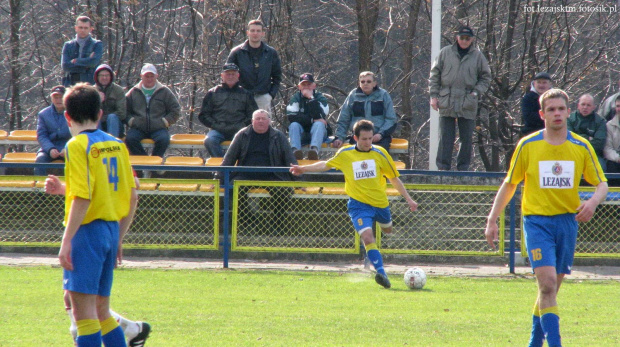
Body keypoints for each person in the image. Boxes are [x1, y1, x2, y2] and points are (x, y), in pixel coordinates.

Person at [485, 89, 607, 347]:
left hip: (567, 223)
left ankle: (534, 343)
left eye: (561, 109)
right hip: (537, 222)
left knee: (550, 290)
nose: (557, 114)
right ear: (542, 114)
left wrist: (593, 202)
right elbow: (510, 184)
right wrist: (492, 220)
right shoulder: (528, 145)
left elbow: (602, 184)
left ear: (568, 111)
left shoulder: (580, 146)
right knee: (548, 284)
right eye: (551, 109)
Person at [290, 120, 418, 288]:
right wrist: (304, 169)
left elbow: (394, 178)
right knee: (367, 237)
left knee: (387, 230)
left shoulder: (380, 153)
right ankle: (381, 273)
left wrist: (409, 199)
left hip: (380, 203)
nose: (367, 143)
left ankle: (381, 238)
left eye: (370, 138)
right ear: (356, 137)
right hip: (358, 205)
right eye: (364, 139)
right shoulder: (346, 153)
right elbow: (326, 165)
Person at [57, 83, 138, 346]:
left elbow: (83, 196)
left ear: (67, 116)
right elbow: (132, 196)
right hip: (110, 230)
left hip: (87, 232)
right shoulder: (116, 144)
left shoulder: (76, 145)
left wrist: (66, 240)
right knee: (103, 314)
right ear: (100, 113)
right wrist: (118, 239)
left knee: (85, 318)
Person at [45, 176, 150, 347]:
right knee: (83, 302)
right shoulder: (111, 151)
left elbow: (131, 186)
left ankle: (130, 329)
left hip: (90, 229)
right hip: (107, 229)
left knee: (85, 307)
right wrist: (64, 189)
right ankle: (132, 329)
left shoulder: (85, 150)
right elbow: (102, 189)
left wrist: (67, 240)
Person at [215, 109, 298, 232]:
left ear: (269, 121)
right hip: (245, 174)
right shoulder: (242, 135)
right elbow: (229, 158)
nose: (260, 121)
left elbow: (289, 158)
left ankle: (278, 225)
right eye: (257, 119)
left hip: (273, 174)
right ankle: (248, 221)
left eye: (263, 119)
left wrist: (298, 180)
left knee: (283, 191)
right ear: (252, 121)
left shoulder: (278, 136)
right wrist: (218, 178)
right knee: (234, 190)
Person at [429, 26, 492, 171]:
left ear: (472, 39)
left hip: (467, 101)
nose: (464, 41)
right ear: (457, 37)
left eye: (467, 38)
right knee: (445, 137)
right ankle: (443, 168)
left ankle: (463, 169)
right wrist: (433, 96)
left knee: (466, 138)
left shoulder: (478, 56)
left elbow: (486, 78)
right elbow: (434, 75)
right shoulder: (445, 52)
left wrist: (475, 93)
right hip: (447, 99)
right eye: (462, 37)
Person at [198, 63, 257, 157]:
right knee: (209, 140)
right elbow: (203, 115)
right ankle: (221, 167)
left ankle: (238, 168)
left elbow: (253, 115)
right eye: (228, 74)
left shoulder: (246, 94)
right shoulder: (212, 93)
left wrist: (242, 125)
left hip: (240, 129)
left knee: (250, 142)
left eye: (233, 74)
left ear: (238, 75)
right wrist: (215, 125)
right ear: (222, 76)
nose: (230, 76)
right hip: (218, 130)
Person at [125, 63, 181, 157]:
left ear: (156, 76)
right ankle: (145, 163)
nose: (149, 79)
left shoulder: (164, 91)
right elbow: (124, 110)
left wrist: (165, 122)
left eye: (152, 76)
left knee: (164, 140)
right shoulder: (133, 92)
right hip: (138, 128)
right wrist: (131, 121)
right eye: (147, 76)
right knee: (130, 139)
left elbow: (175, 110)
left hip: (159, 128)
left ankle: (154, 165)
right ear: (141, 76)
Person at [332, 71, 398, 151]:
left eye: (369, 81)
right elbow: (343, 119)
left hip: (379, 138)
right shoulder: (353, 95)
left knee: (378, 161)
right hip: (358, 138)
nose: (365, 83)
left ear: (374, 83)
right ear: (359, 83)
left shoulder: (383, 95)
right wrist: (340, 137)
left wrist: (380, 134)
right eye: (362, 81)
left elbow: (391, 119)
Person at [226, 19, 282, 113]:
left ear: (263, 33)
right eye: (252, 30)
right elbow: (227, 75)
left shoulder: (271, 53)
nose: (255, 33)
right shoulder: (237, 52)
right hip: (240, 97)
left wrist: (270, 95)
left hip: (262, 97)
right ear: (247, 32)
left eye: (258, 31)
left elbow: (277, 76)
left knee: (262, 126)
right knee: (240, 127)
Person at [287, 73, 330, 160]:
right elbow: (292, 117)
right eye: (303, 84)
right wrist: (311, 120)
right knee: (294, 125)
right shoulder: (295, 98)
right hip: (301, 133)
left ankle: (314, 151)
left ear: (314, 86)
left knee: (319, 124)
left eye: (309, 84)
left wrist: (311, 98)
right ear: (299, 86)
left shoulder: (320, 97)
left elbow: (320, 115)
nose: (306, 87)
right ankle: (295, 152)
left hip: (318, 133)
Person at [35, 85, 72, 176]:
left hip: (69, 148)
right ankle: (39, 188)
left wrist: (68, 148)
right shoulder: (43, 114)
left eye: (61, 97)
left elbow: (77, 134)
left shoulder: (74, 113)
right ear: (52, 98)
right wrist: (50, 149)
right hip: (49, 148)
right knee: (40, 159)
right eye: (56, 97)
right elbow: (42, 135)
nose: (58, 100)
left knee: (77, 159)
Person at [567, 94, 607, 171]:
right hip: (573, 153)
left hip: (593, 154)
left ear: (593, 107)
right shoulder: (569, 119)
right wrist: (588, 138)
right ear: (578, 105)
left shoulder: (600, 121)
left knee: (601, 167)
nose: (585, 107)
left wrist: (578, 138)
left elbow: (599, 144)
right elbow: (568, 139)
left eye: (588, 105)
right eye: (583, 104)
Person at [61, 16, 103, 87]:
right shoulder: (68, 45)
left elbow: (93, 62)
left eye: (86, 28)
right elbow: (65, 66)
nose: (83, 30)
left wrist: (76, 61)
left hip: (90, 85)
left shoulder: (96, 44)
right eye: (80, 27)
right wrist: (86, 65)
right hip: (71, 85)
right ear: (76, 28)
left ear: (91, 29)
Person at [94, 64, 125, 138]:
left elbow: (122, 113)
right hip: (97, 125)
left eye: (107, 75)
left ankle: (112, 145)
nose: (104, 78)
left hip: (115, 125)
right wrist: (98, 101)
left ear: (111, 77)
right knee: (95, 117)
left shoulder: (118, 90)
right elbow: (88, 113)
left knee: (112, 117)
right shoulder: (91, 91)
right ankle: (98, 143)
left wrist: (105, 118)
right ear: (97, 77)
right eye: (102, 75)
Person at [604, 98, 620, 173]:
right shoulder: (609, 125)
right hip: (615, 161)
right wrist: (618, 158)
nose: (619, 109)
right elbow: (607, 148)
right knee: (610, 166)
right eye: (618, 106)